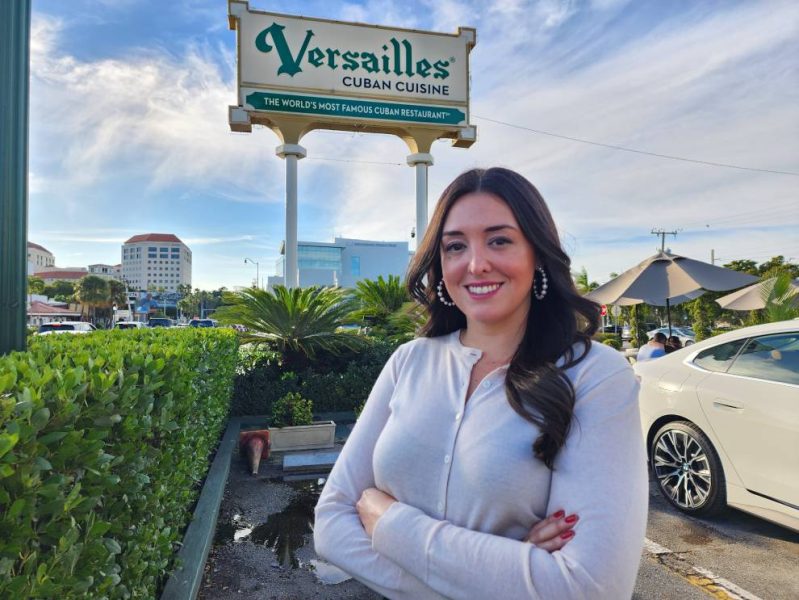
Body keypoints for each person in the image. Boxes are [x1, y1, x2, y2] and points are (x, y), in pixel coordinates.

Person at [314, 168, 648, 599]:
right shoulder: (408, 361)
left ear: (538, 254)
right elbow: (332, 524)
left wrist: (391, 524)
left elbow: (587, 588)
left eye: (499, 240)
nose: (476, 264)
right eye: (455, 246)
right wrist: (506, 571)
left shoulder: (594, 376)